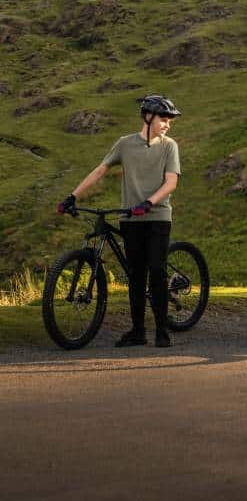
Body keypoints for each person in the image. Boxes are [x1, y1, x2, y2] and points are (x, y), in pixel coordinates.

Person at [57, 95, 182, 348]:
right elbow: (100, 170)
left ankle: (162, 331)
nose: (167, 124)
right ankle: (138, 332)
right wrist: (73, 196)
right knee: (136, 274)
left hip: (157, 216)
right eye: (163, 119)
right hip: (131, 218)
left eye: (170, 120)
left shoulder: (169, 146)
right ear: (148, 116)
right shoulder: (125, 144)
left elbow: (171, 183)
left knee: (156, 271)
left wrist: (149, 203)